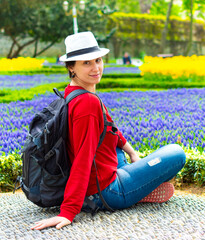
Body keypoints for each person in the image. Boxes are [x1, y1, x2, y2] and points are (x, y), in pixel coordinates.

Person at [31, 32, 186, 230]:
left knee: (116, 147)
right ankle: (136, 190)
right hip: (106, 192)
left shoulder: (74, 91)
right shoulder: (87, 103)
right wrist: (68, 211)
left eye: (98, 60)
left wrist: (131, 152)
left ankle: (138, 182)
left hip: (102, 174)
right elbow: (83, 157)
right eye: (86, 63)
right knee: (176, 153)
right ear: (72, 67)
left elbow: (110, 127)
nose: (96, 68)